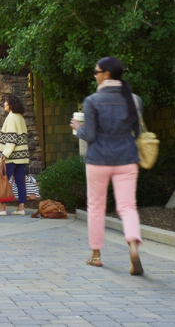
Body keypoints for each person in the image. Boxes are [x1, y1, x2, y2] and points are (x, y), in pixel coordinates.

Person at [71, 57, 144, 276]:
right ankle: (132, 245)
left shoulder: (92, 100)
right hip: (127, 158)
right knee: (128, 207)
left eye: (96, 71)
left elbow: (90, 135)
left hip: (98, 160)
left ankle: (96, 256)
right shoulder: (134, 99)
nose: (95, 75)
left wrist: (77, 128)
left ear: (107, 74)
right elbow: (138, 133)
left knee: (95, 207)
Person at [0, 95, 29, 216]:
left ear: (11, 104)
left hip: (11, 157)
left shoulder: (11, 118)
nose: (4, 104)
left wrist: (4, 155)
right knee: (20, 182)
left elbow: (11, 140)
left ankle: (2, 209)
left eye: (6, 102)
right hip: (21, 157)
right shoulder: (20, 117)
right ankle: (21, 208)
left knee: (3, 181)